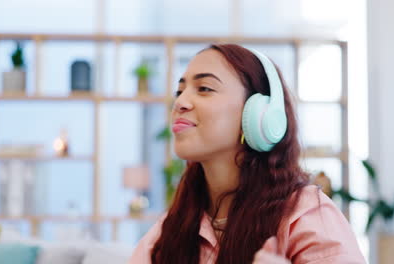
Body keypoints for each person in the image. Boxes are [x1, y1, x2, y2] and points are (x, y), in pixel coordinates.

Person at [129, 44, 366, 264]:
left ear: (258, 115)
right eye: (179, 91)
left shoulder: (305, 215)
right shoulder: (176, 224)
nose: (180, 102)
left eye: (204, 89)